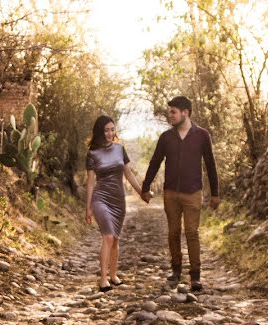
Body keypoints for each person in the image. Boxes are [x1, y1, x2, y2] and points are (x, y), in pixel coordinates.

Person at [141, 96, 219, 292]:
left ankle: (195, 276)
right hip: (171, 193)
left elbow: (210, 164)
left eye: (173, 112)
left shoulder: (202, 135)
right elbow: (155, 162)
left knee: (192, 233)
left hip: (193, 192)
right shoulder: (166, 138)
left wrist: (215, 193)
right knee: (173, 233)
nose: (170, 116)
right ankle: (176, 271)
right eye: (170, 112)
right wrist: (145, 187)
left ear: (185, 112)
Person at [85, 115, 147, 292]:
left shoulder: (120, 149)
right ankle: (103, 279)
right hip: (100, 199)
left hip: (118, 200)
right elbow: (90, 182)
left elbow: (129, 174)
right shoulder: (92, 154)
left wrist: (141, 193)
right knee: (108, 237)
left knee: (116, 239)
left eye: (112, 129)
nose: (110, 133)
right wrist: (88, 208)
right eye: (106, 130)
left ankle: (113, 275)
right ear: (99, 132)